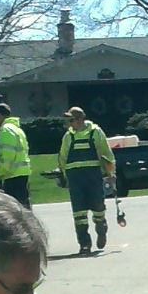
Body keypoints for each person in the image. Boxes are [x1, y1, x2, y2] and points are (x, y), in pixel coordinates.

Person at [57, 106, 117, 255]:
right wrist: (63, 176)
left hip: (92, 176)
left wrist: (111, 172)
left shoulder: (95, 132)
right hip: (75, 178)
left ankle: (101, 228)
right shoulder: (68, 137)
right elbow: (63, 157)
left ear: (80, 120)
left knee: (98, 207)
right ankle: (84, 243)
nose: (69, 124)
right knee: (79, 213)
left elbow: (106, 152)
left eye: (71, 120)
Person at [0, 103, 32, 207]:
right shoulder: (17, 129)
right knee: (23, 207)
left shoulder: (6, 130)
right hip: (22, 173)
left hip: (13, 175)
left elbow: (7, 158)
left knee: (14, 209)